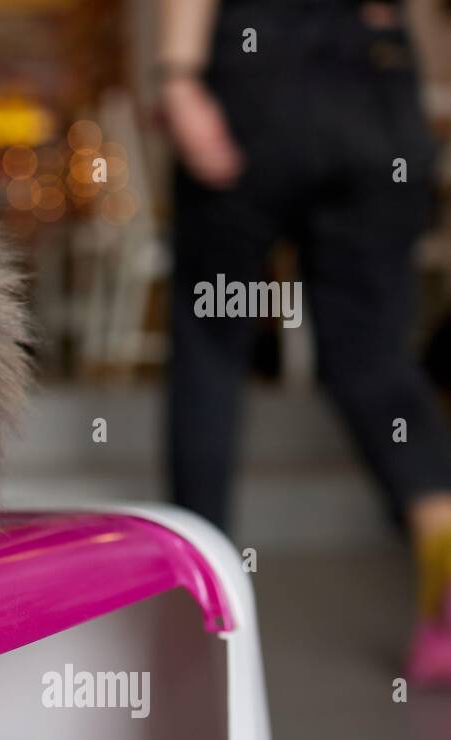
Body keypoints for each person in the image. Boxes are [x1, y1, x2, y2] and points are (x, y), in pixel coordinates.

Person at [157, 0, 451, 683]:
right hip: (378, 82)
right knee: (375, 353)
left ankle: (198, 609)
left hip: (253, 81)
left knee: (210, 343)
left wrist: (177, 75)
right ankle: (442, 545)